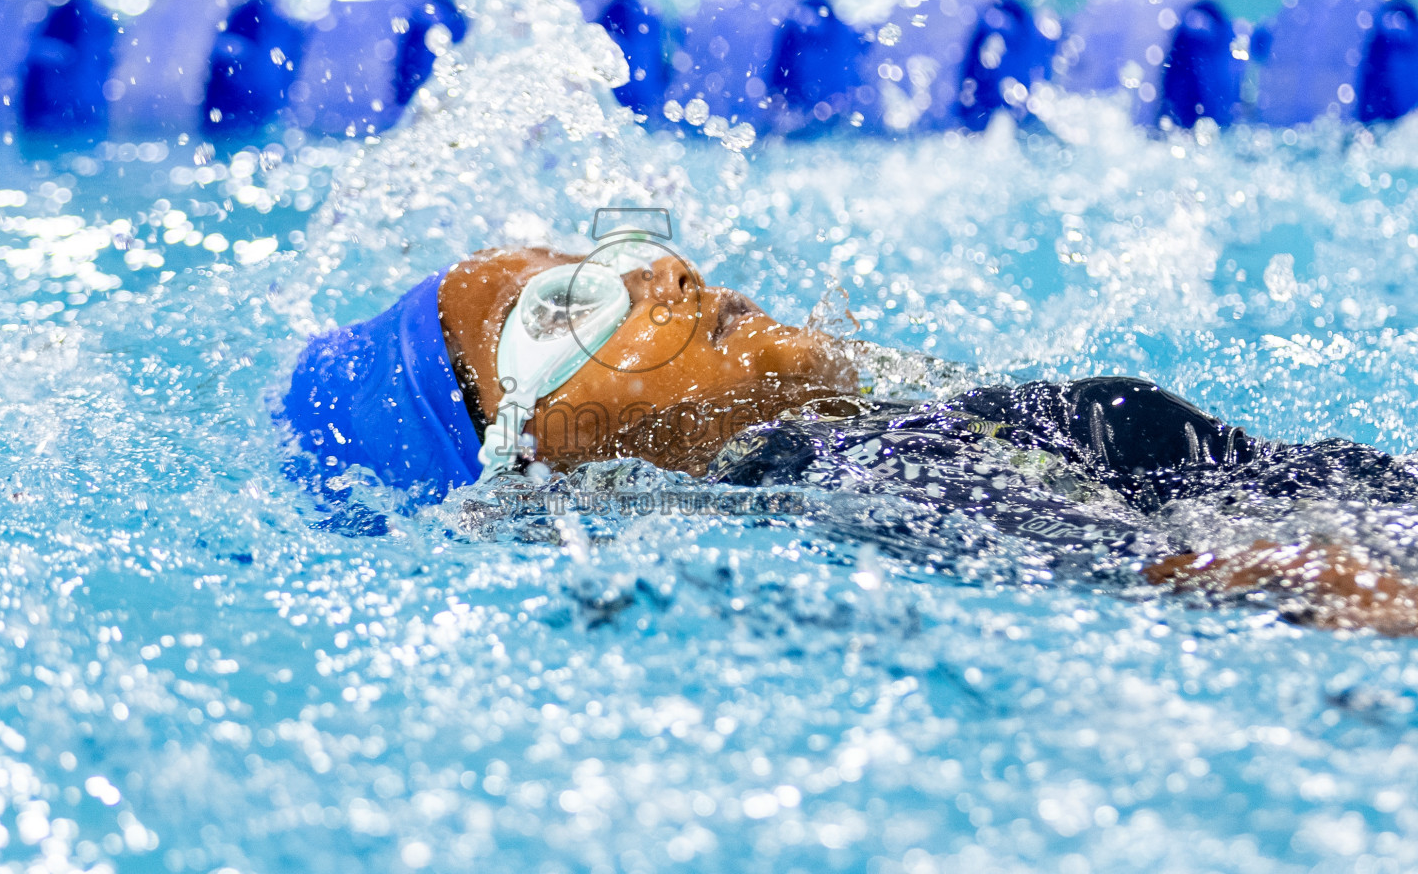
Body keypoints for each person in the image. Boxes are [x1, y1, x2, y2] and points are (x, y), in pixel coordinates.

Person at [277, 245, 1418, 636]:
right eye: (565, 308)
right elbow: (1230, 578)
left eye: (599, 257)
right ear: (523, 467)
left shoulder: (879, 436)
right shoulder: (842, 479)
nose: (660, 268)